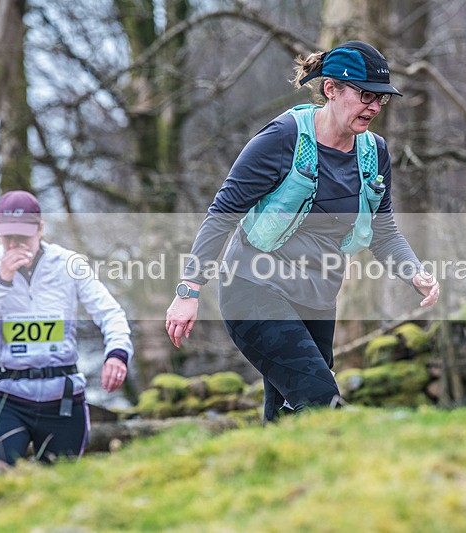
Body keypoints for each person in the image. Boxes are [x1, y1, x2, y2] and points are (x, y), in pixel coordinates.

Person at [165, 41, 439, 422]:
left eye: (381, 99)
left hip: (318, 300)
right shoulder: (283, 139)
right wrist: (188, 290)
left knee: (288, 416)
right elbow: (223, 212)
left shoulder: (374, 152)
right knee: (319, 400)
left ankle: (279, 478)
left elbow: (383, 228)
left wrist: (413, 270)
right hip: (255, 290)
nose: (375, 107)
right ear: (331, 89)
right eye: (365, 95)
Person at [0, 190, 133, 464]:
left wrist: (117, 353)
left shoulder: (70, 264)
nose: (14, 244)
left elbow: (110, 313)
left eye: (22, 236)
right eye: (6, 237)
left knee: (61, 487)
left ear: (40, 229)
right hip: (8, 396)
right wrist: (0, 282)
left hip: (63, 398)